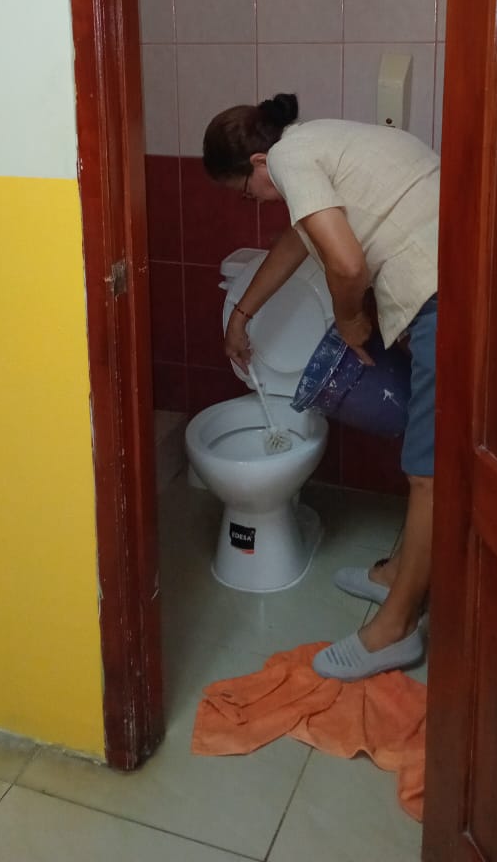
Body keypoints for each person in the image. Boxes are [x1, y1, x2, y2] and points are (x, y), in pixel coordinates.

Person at [202, 93, 439, 681]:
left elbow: (348, 264)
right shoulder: (319, 140)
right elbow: (296, 245)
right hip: (451, 275)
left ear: (259, 163)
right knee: (428, 457)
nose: (257, 202)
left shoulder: (289, 158)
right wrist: (240, 317)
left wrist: (348, 317)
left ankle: (395, 629)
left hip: (443, 294)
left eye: (246, 192)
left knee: (430, 470)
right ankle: (397, 576)